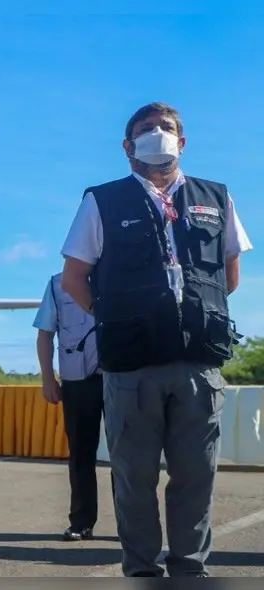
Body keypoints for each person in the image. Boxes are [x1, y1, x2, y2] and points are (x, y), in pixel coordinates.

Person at [59, 102, 253, 577]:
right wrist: (116, 318)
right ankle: (141, 569)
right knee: (134, 477)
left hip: (197, 364)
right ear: (128, 147)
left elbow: (229, 274)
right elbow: (75, 278)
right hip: (131, 367)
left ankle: (190, 569)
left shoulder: (217, 197)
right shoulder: (102, 200)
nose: (158, 134)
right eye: (146, 130)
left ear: (182, 143)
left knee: (195, 475)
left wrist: (188, 315)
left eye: (167, 128)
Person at [33, 272, 106, 542]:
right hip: (77, 380)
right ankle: (81, 521)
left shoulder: (119, 272)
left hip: (119, 377)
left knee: (127, 455)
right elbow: (44, 333)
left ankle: (130, 523)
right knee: (80, 455)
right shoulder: (57, 283)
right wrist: (47, 378)